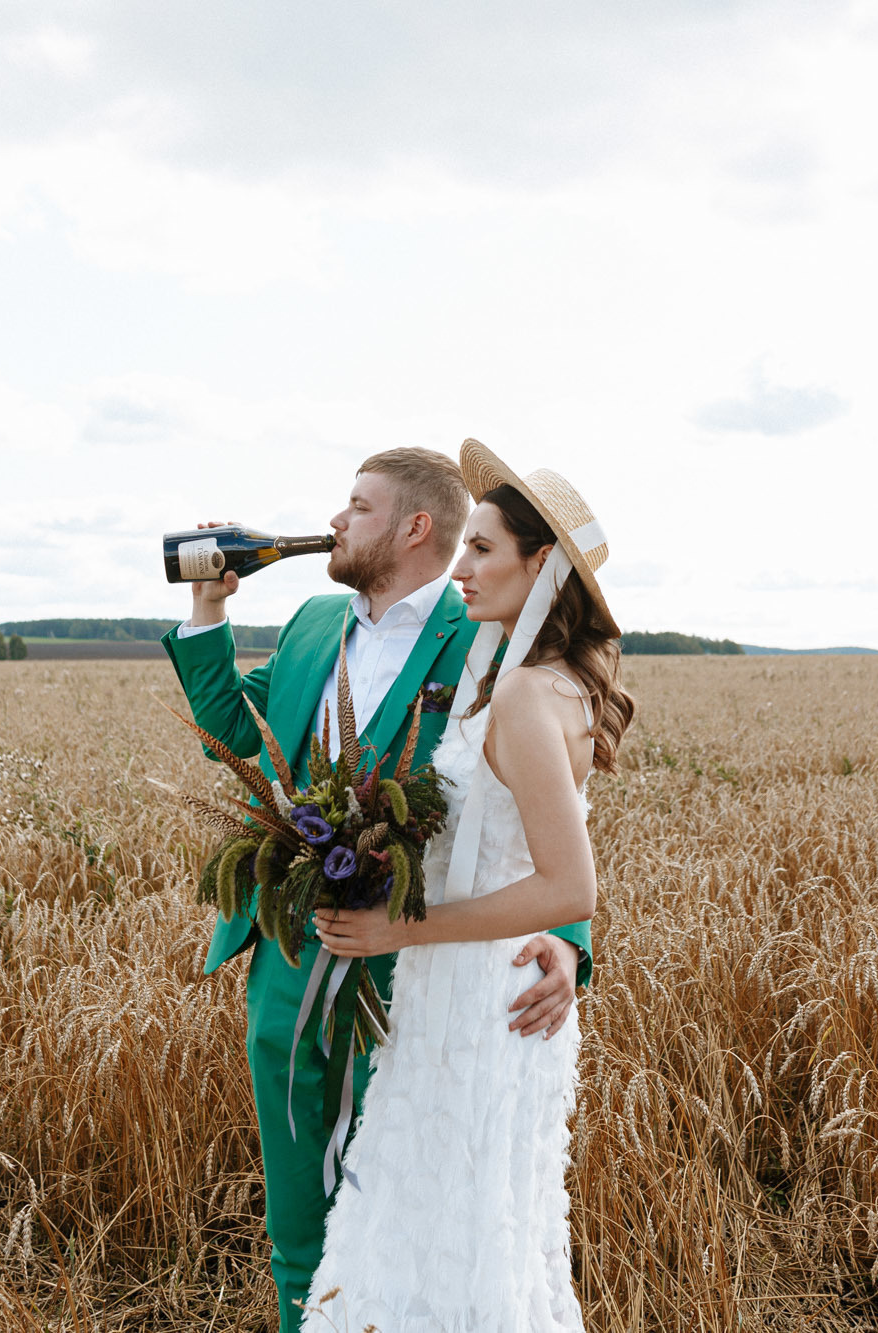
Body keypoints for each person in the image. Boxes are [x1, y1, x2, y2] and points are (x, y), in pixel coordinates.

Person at [161, 446, 596, 1333]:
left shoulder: (480, 636)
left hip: (411, 976)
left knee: (388, 1213)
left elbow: (546, 808)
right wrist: (208, 603)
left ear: (413, 527)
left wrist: (569, 938)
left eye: (355, 506)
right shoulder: (315, 623)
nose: (334, 520)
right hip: (286, 947)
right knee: (295, 1216)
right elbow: (235, 734)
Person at [306, 440, 635, 1331]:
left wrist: (400, 931)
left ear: (542, 565)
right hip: (480, 984)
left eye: (483, 548)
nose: (461, 565)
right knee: (474, 1222)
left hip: (479, 1000)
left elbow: (571, 886)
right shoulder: (540, 684)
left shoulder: (527, 696)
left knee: (450, 1218)